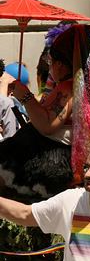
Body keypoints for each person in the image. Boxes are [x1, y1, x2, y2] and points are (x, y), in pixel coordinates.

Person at [0, 27, 79, 197]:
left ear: (59, 64)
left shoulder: (68, 86)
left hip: (49, 160)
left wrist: (26, 96)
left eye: (50, 62)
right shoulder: (72, 85)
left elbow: (47, 125)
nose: (50, 68)